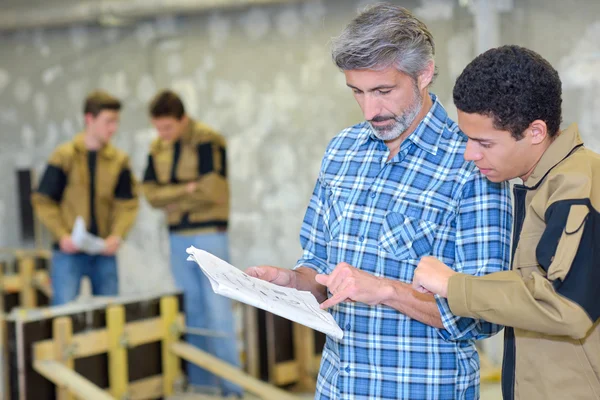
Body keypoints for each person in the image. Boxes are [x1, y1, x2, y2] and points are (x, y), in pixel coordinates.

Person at [246, 4, 513, 399]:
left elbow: (484, 316)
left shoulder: (472, 164)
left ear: (423, 74)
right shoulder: (342, 150)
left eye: (383, 91)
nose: (371, 110)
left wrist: (387, 290)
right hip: (338, 388)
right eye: (357, 92)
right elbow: (319, 267)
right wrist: (290, 281)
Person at [412, 45, 600, 400]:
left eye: (483, 142)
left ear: (535, 131)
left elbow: (566, 306)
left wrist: (453, 285)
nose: (470, 154)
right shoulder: (540, 185)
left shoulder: (576, 184)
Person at [142, 90, 242, 398]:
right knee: (193, 311)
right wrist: (186, 189)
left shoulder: (207, 140)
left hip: (209, 233)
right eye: (159, 128)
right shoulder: (157, 147)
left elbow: (212, 191)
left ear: (183, 120)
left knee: (218, 310)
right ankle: (202, 386)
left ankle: (232, 388)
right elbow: (150, 194)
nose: (163, 134)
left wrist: (172, 198)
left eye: (168, 128)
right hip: (177, 238)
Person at [32, 90, 139, 306]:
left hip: (104, 253)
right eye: (108, 121)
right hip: (68, 253)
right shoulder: (64, 156)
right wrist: (62, 235)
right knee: (63, 313)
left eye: (116, 122)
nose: (113, 128)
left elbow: (127, 204)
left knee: (109, 315)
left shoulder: (119, 161)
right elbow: (43, 200)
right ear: (89, 119)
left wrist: (117, 236)